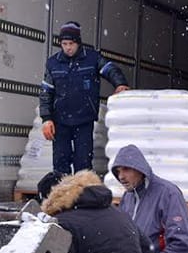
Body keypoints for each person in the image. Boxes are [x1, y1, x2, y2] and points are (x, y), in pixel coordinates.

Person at [40, 21, 129, 175]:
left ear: (78, 43)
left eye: (71, 43)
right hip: (60, 121)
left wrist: (120, 84)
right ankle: (64, 198)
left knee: (83, 163)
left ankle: (82, 197)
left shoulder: (92, 58)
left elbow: (110, 69)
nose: (68, 47)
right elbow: (46, 91)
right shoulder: (53, 63)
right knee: (60, 163)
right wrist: (46, 118)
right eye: (64, 43)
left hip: (84, 120)